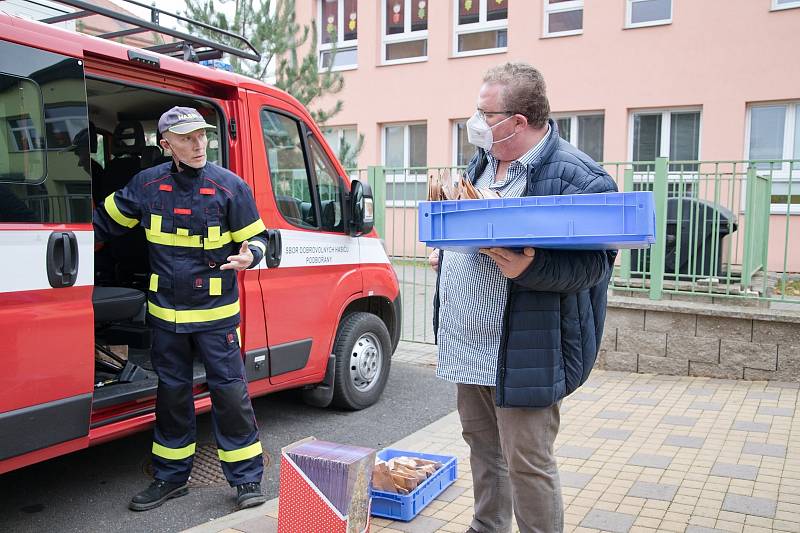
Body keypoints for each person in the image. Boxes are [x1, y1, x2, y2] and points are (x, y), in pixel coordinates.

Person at [430, 63, 617, 533]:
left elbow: (596, 266)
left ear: (518, 120)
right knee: (482, 449)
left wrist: (531, 268)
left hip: (524, 350)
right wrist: (449, 254)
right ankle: (487, 526)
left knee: (527, 463)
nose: (475, 120)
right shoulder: (484, 161)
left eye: (484, 111)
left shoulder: (579, 177)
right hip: (469, 346)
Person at [93, 106, 270, 512]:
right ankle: (171, 478)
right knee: (172, 396)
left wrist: (251, 256)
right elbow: (102, 223)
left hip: (215, 317)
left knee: (230, 394)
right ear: (166, 144)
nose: (198, 144)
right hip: (166, 317)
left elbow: (259, 239)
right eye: (187, 138)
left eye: (202, 136)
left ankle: (246, 480)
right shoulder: (146, 185)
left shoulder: (230, 187)